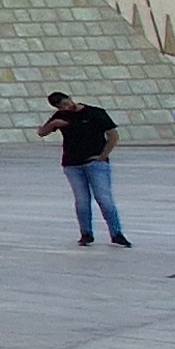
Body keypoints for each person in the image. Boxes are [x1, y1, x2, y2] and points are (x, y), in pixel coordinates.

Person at [35, 91, 129, 246]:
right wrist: (53, 125)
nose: (66, 107)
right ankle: (86, 233)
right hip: (72, 164)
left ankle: (116, 233)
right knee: (82, 201)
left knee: (104, 200)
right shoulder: (60, 116)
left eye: (66, 103)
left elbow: (113, 135)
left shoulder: (94, 113)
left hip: (95, 162)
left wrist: (102, 156)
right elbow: (41, 133)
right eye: (61, 106)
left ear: (70, 98)